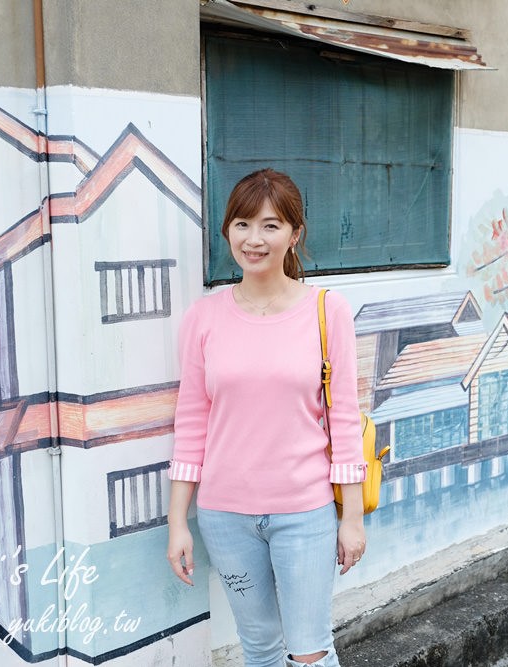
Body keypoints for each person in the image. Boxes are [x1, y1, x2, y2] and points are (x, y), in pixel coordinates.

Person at [166, 168, 367, 667]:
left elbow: (343, 420)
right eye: (242, 224)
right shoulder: (204, 318)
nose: (254, 239)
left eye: (271, 225)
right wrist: (177, 522)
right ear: (227, 231)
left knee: (310, 651)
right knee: (258, 649)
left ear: (295, 234)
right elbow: (192, 422)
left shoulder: (327, 310)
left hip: (304, 513)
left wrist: (353, 518)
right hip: (224, 517)